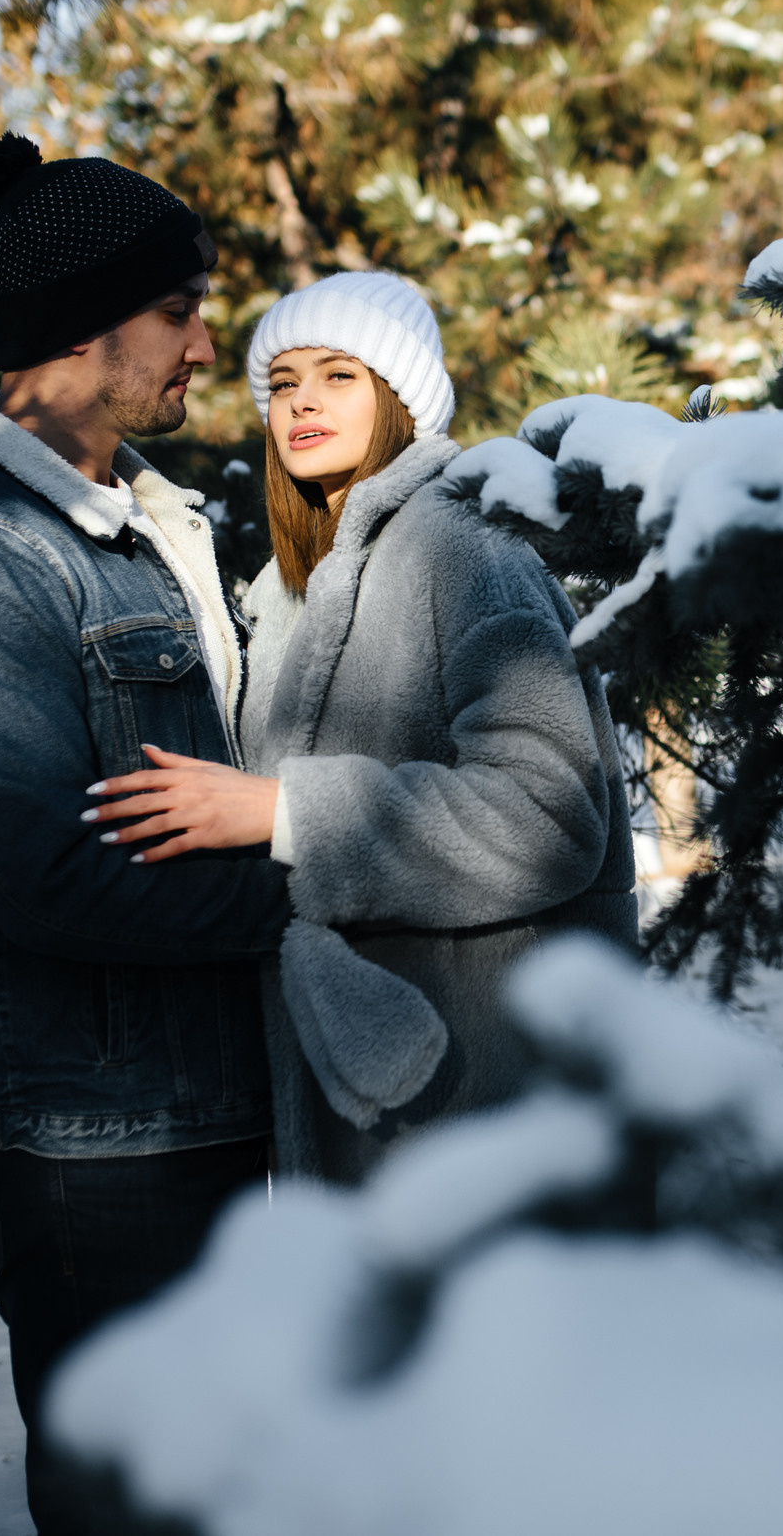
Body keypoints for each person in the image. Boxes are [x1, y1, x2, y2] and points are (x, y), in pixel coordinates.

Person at [0, 134, 287, 1535]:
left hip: (199, 1100)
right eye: (180, 309)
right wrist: (314, 880)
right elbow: (42, 869)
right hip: (89, 1135)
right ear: (85, 327)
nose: (207, 343)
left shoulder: (145, 526)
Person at [78, 272, 639, 1179]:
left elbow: (552, 814)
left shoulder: (468, 547)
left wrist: (287, 813)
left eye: (339, 375)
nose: (302, 401)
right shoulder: (283, 588)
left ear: (398, 397)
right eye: (285, 382)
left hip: (488, 1101)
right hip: (360, 1089)